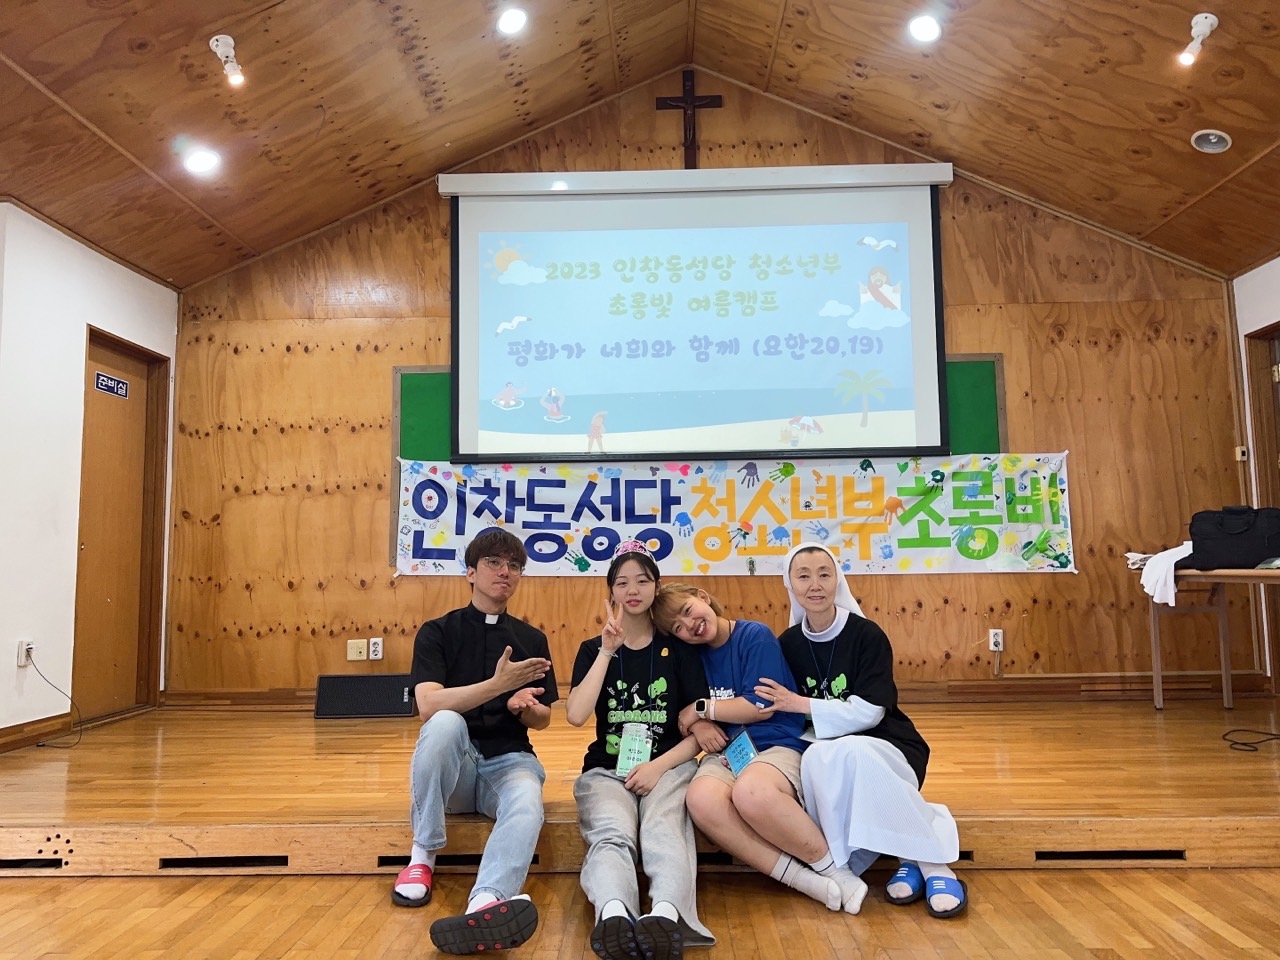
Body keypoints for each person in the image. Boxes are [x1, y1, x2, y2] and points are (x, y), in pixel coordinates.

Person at [757, 543, 965, 919]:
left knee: (854, 750)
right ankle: (909, 858)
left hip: (888, 744)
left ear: (837, 579)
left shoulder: (867, 635)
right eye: (803, 576)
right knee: (818, 757)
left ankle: (933, 864)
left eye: (824, 574)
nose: (815, 584)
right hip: (827, 751)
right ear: (790, 584)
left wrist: (801, 703)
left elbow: (870, 713)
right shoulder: (787, 643)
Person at [650, 583, 868, 915]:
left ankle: (835, 870)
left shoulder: (754, 635)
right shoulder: (691, 657)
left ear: (703, 597)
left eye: (688, 611)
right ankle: (802, 880)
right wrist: (699, 722)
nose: (689, 626)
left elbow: (758, 706)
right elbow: (682, 714)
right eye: (677, 628)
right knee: (700, 799)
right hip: (729, 751)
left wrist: (702, 710)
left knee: (751, 793)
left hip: (775, 742)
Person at [393, 528, 558, 955]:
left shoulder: (532, 639)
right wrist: (497, 686)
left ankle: (487, 901)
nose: (505, 572)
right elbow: (427, 705)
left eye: (514, 566)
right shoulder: (437, 632)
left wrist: (524, 708)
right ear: (470, 572)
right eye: (494, 563)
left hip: (509, 762)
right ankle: (421, 857)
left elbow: (544, 719)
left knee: (528, 800)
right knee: (446, 723)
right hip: (457, 770)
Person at [566, 541, 717, 960]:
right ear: (611, 591)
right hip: (607, 770)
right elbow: (575, 715)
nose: (632, 590)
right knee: (611, 832)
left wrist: (657, 767)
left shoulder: (679, 648)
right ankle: (614, 912)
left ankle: (666, 915)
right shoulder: (592, 649)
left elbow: (699, 732)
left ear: (656, 587)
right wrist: (607, 650)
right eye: (622, 583)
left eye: (642, 581)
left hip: (668, 766)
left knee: (663, 831)